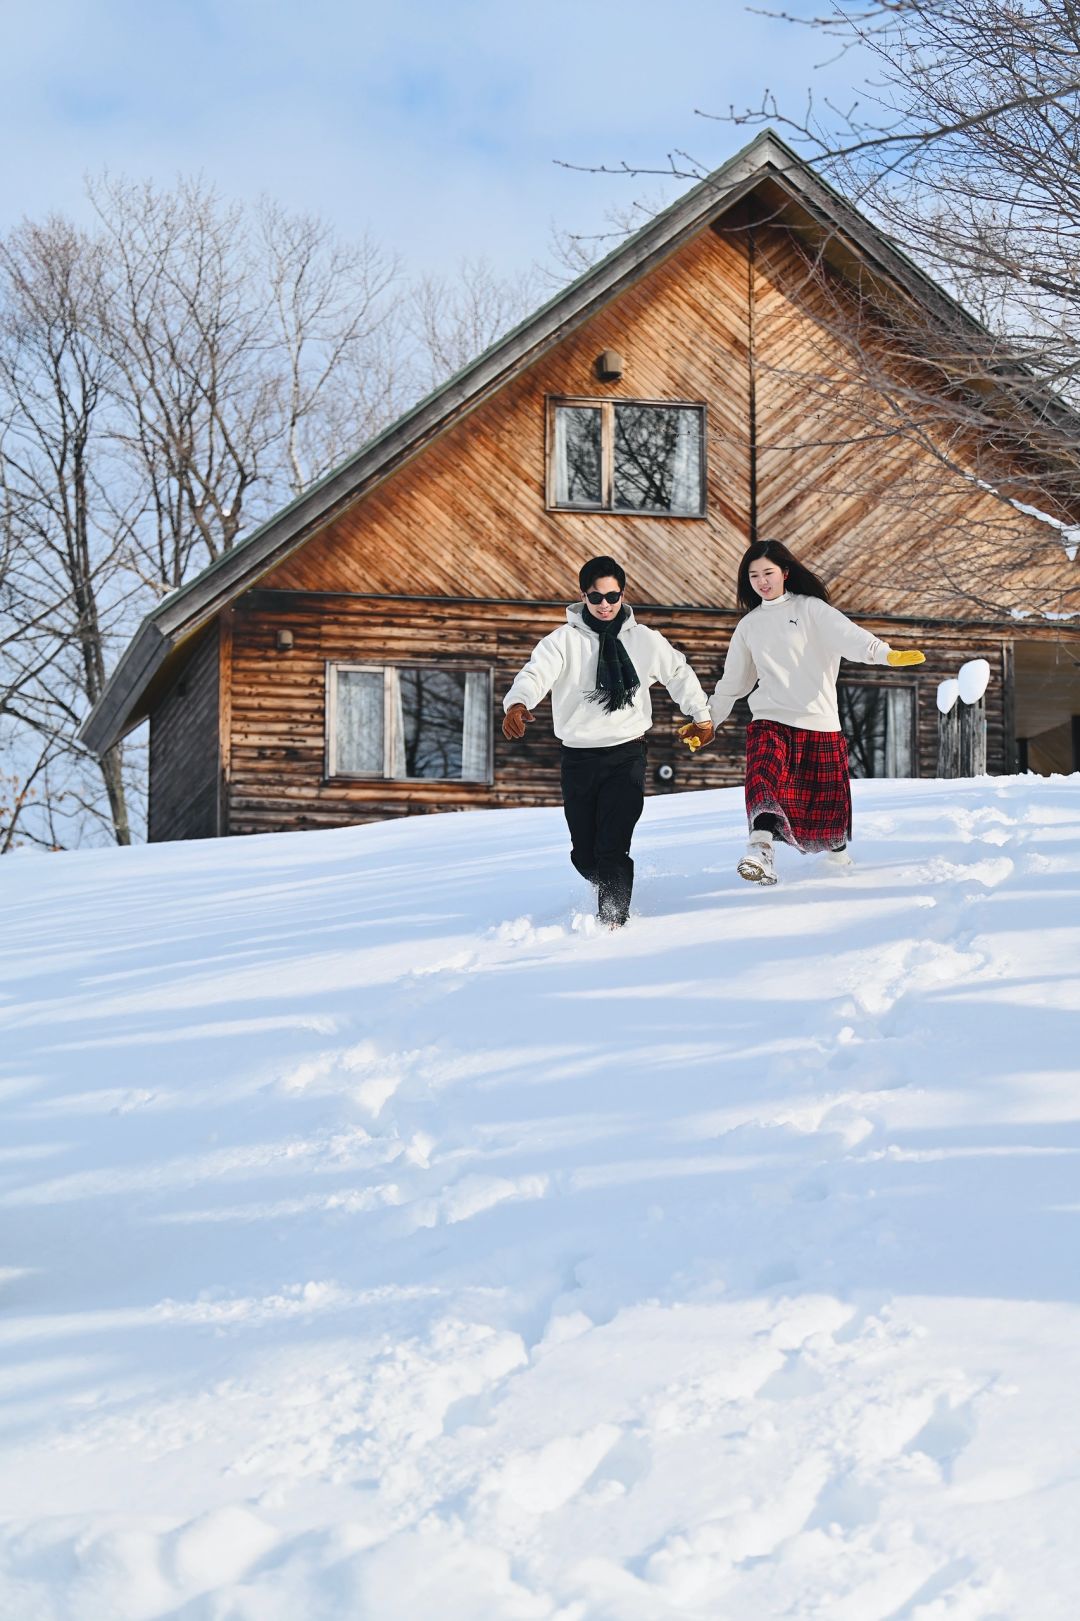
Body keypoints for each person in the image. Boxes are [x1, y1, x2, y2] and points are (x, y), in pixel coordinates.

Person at [677, 538, 925, 886]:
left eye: (768, 573)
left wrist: (886, 654)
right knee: (762, 780)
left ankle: (839, 863)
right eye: (753, 576)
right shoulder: (749, 626)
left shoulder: (811, 610)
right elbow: (733, 684)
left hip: (818, 724)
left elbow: (852, 638)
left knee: (828, 821)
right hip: (770, 721)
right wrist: (707, 721)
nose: (762, 581)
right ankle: (760, 849)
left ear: (785, 573)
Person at [502, 555, 714, 927]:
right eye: (596, 597)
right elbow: (535, 673)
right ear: (583, 597)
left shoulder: (644, 640)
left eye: (612, 597)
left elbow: (678, 672)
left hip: (627, 755)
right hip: (579, 759)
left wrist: (701, 716)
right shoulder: (564, 641)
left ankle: (613, 921)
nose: (604, 605)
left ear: (623, 595)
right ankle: (610, 886)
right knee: (585, 856)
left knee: (613, 845)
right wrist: (518, 703)